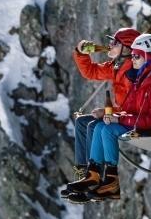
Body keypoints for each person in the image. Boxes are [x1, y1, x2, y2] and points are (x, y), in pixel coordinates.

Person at [66, 33, 151, 202]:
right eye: (132, 55)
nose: (133, 59)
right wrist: (81, 53)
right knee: (93, 124)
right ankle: (91, 175)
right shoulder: (132, 73)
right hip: (136, 119)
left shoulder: (147, 79)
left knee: (99, 126)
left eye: (136, 55)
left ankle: (102, 180)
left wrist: (116, 116)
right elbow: (131, 106)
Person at [60, 27, 140, 200]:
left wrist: (106, 112)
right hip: (120, 115)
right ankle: (85, 174)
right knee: (82, 122)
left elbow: (133, 106)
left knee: (93, 125)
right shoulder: (116, 66)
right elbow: (91, 71)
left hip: (128, 118)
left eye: (115, 43)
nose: (110, 45)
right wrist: (81, 53)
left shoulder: (131, 72)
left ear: (127, 48)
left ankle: (96, 179)